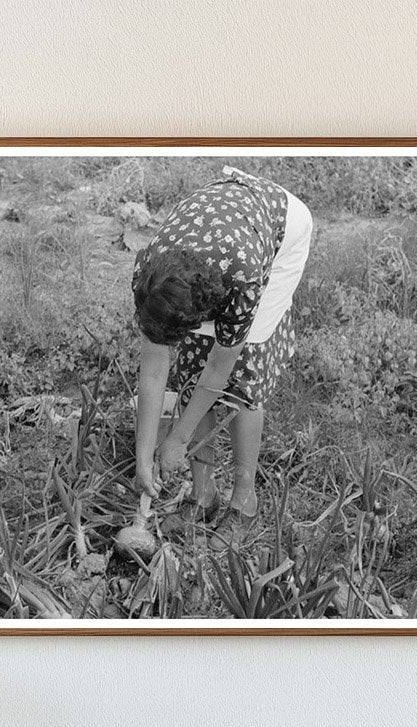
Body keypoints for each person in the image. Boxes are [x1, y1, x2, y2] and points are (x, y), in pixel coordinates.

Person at [131, 165, 313, 549]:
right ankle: (203, 495)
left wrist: (177, 439)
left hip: (279, 232)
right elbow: (153, 371)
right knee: (189, 368)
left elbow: (219, 368)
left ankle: (244, 500)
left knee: (242, 380)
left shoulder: (243, 281)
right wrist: (143, 455)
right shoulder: (150, 272)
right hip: (223, 228)